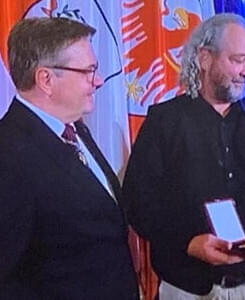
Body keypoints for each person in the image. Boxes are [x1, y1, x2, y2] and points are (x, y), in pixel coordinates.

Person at [123, 13, 245, 300]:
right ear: (204, 58)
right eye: (238, 60)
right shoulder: (164, 121)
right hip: (189, 287)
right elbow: (138, 204)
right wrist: (189, 243)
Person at [0, 17, 139, 299]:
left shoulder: (74, 128)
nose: (98, 81)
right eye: (88, 71)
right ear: (46, 79)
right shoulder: (8, 154)